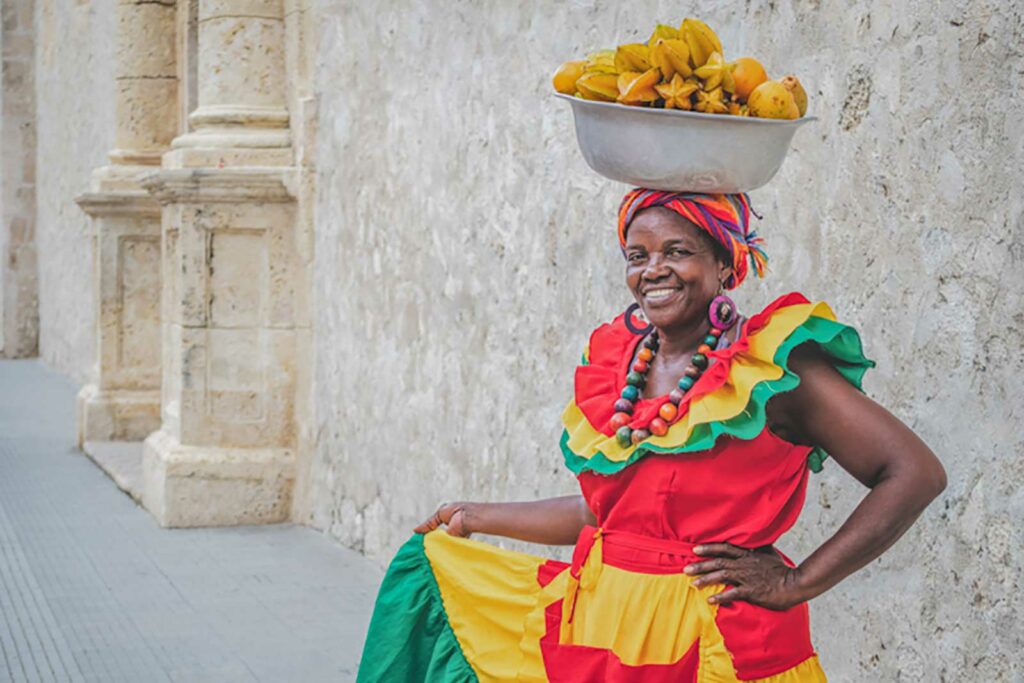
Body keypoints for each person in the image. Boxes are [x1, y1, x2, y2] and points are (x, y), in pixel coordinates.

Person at [356, 190, 946, 682]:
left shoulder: (772, 371)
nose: (652, 269)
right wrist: (478, 515)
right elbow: (609, 517)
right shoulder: (619, 369)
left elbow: (913, 473)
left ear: (725, 262)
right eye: (637, 255)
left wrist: (798, 582)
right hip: (604, 631)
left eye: (677, 250)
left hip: (717, 640)